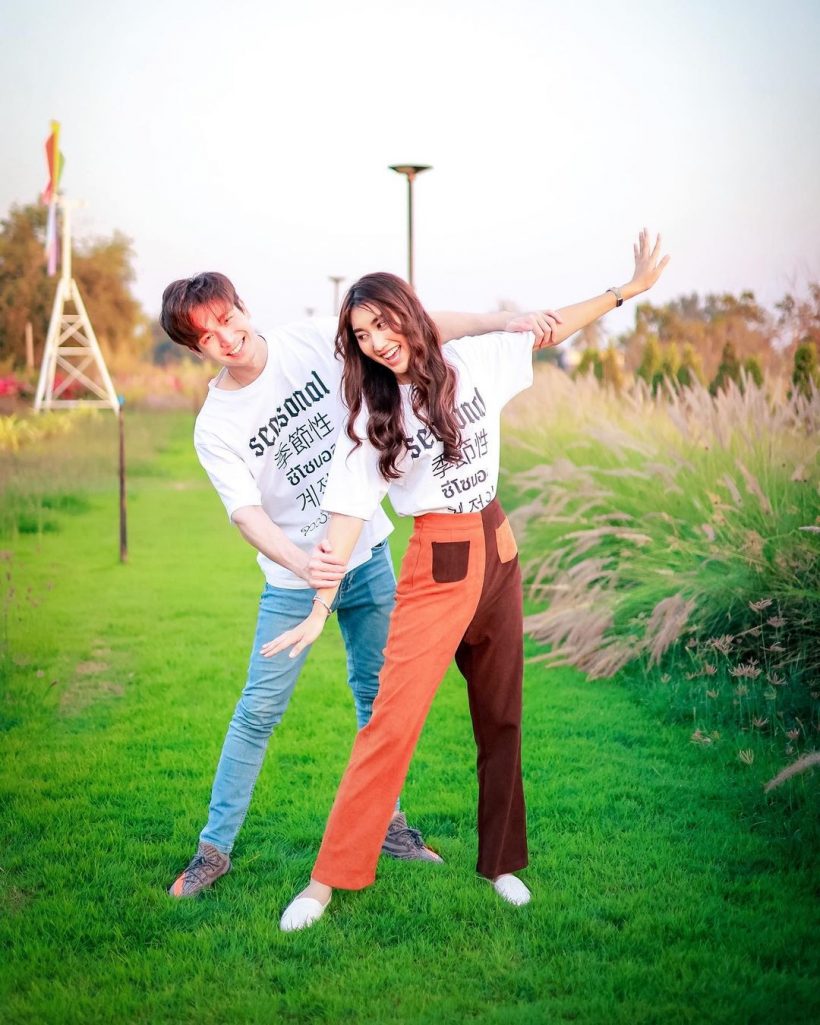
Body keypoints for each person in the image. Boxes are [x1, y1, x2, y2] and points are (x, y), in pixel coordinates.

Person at [265, 230, 670, 930]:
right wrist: (317, 604)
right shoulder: (371, 416)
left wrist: (625, 291)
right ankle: (325, 882)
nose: (377, 341)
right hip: (439, 558)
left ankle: (503, 863)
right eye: (362, 335)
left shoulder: (473, 360)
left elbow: (549, 326)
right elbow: (346, 516)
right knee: (390, 723)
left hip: (497, 544)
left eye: (384, 323)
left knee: (501, 713)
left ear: (409, 314)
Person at [158, 272, 557, 896]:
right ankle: (214, 849)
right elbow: (246, 514)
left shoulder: (314, 340)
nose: (226, 338)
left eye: (227, 319)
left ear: (242, 307)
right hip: (295, 580)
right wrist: (303, 566)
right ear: (195, 348)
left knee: (380, 701)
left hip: (367, 558)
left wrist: (500, 322)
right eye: (207, 336)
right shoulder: (216, 426)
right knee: (259, 710)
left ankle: (390, 828)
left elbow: (421, 328)